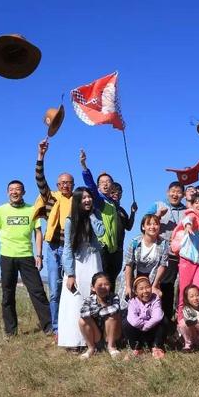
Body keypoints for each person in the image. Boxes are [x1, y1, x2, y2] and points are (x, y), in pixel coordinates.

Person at [0, 180, 52, 337]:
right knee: (8, 294)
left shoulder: (32, 209)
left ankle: (49, 327)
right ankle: (10, 332)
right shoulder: (0, 211)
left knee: (37, 291)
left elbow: (38, 232)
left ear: (23, 192)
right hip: (7, 257)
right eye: (11, 190)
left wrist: (39, 255)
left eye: (18, 189)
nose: (14, 192)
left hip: (27, 256)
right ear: (8, 192)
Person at [33, 139, 74, 336]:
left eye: (69, 182)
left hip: (71, 248)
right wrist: (41, 156)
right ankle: (56, 327)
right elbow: (40, 179)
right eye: (62, 182)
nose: (66, 185)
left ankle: (72, 323)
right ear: (58, 185)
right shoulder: (51, 197)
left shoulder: (78, 200)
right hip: (52, 247)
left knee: (72, 287)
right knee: (55, 290)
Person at [57, 187, 105, 348]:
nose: (87, 200)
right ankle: (75, 340)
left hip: (94, 260)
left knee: (95, 298)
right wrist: (70, 273)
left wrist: (91, 214)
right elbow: (68, 248)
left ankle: (96, 340)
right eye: (83, 198)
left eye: (89, 197)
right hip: (78, 264)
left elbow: (101, 231)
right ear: (77, 200)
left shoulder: (95, 215)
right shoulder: (70, 220)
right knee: (75, 301)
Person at [79, 150, 121, 290]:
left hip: (114, 249)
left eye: (108, 182)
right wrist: (84, 166)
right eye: (102, 182)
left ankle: (111, 310)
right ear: (98, 186)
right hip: (102, 247)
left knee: (111, 282)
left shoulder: (112, 203)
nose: (105, 184)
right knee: (101, 282)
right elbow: (90, 185)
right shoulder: (98, 201)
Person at [146, 181, 186, 320]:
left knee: (172, 288)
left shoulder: (186, 210)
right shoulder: (158, 205)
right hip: (160, 253)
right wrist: (158, 215)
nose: (175, 194)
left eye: (178, 192)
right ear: (167, 192)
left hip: (178, 255)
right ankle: (153, 318)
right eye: (173, 191)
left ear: (183, 195)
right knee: (158, 285)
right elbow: (144, 225)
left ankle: (168, 320)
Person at [171, 193, 199, 318]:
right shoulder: (192, 215)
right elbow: (188, 220)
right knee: (184, 292)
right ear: (192, 204)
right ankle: (181, 321)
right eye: (196, 202)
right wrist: (188, 226)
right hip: (187, 260)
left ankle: (197, 320)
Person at [119, 214, 169, 308]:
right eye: (149, 224)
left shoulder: (164, 244)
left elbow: (163, 265)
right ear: (143, 226)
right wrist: (128, 286)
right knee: (127, 302)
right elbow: (128, 265)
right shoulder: (135, 242)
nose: (152, 227)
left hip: (151, 277)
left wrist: (154, 285)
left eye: (155, 224)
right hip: (133, 275)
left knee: (152, 303)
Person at [78, 272, 121, 359]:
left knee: (113, 316)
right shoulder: (89, 299)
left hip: (110, 334)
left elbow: (115, 308)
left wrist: (95, 312)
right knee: (82, 320)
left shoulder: (114, 296)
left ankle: (111, 346)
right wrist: (103, 310)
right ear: (93, 288)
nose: (103, 287)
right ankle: (91, 348)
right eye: (100, 285)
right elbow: (83, 313)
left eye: (106, 284)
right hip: (96, 335)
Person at [124, 276, 166, 359]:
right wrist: (142, 326)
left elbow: (157, 316)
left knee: (164, 320)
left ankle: (156, 346)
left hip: (152, 331)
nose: (145, 291)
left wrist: (146, 326)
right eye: (141, 289)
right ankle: (136, 348)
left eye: (148, 287)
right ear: (135, 292)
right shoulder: (133, 302)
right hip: (138, 331)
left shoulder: (155, 299)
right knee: (126, 323)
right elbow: (133, 320)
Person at [109, 182, 138, 278]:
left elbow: (129, 227)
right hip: (106, 248)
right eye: (113, 192)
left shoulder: (121, 210)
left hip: (119, 248)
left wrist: (133, 213)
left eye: (119, 193)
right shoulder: (104, 207)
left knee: (114, 273)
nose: (116, 195)